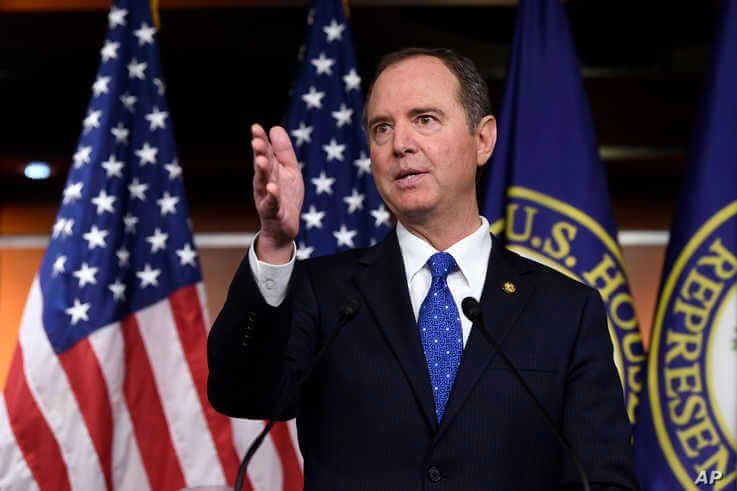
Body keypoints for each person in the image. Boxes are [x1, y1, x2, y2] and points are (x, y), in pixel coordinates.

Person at [207, 48, 636, 490]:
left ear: (483, 139)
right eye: (382, 128)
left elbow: (603, 480)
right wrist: (276, 244)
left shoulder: (565, 310)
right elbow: (242, 391)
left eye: (425, 119)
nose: (400, 144)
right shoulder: (326, 293)